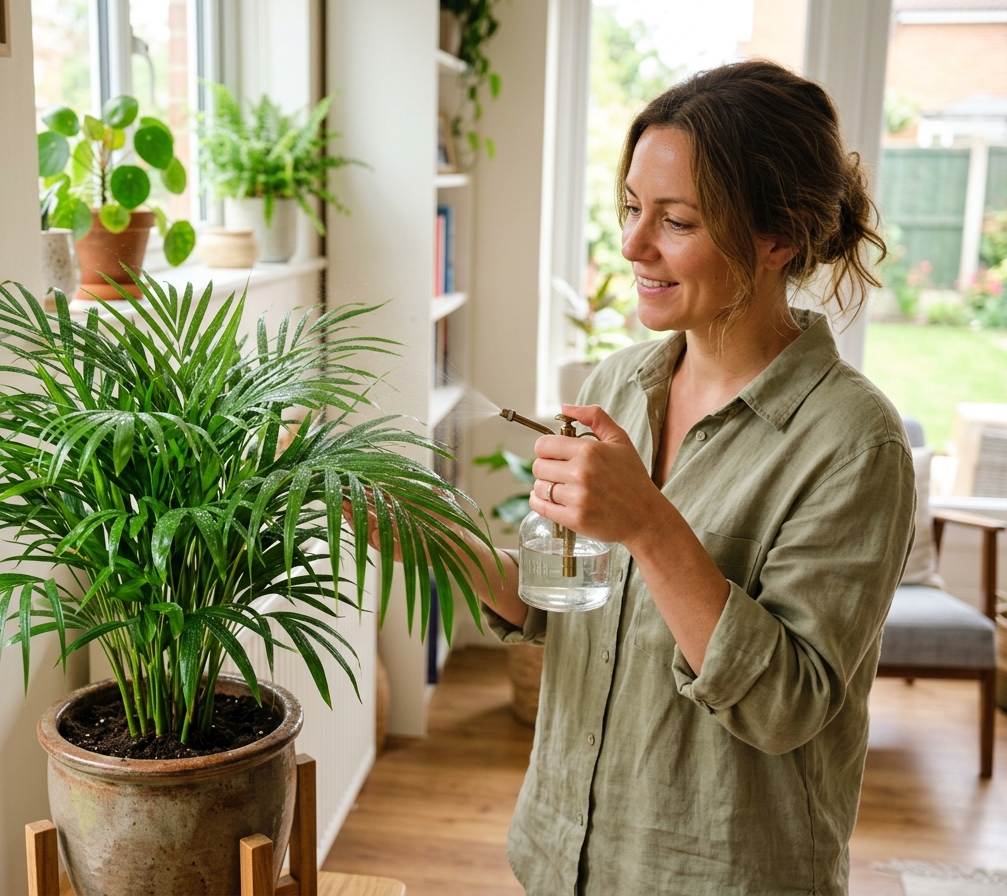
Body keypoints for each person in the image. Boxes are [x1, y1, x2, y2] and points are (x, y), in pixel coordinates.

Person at [354, 60, 916, 894]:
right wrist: (423, 532)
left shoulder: (853, 443)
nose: (631, 246)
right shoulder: (617, 388)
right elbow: (562, 606)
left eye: (676, 220)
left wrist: (650, 525)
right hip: (562, 857)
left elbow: (787, 706)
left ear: (777, 237)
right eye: (630, 208)